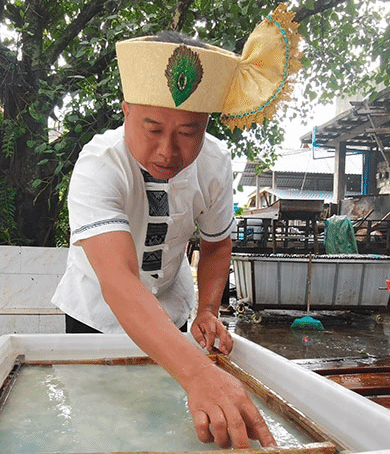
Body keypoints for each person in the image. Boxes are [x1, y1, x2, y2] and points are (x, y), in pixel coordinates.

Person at [50, 4, 301, 449]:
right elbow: (120, 281)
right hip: (96, 315)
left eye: (189, 131)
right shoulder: (98, 166)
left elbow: (217, 244)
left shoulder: (216, 164)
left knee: (163, 424)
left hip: (173, 310)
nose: (168, 151)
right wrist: (200, 373)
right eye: (152, 128)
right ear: (126, 111)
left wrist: (208, 310)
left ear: (206, 125)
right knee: (98, 430)